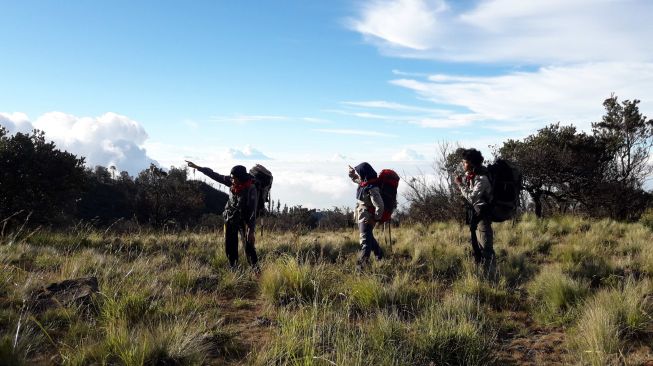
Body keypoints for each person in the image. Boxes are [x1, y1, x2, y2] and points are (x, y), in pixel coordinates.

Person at [186, 160, 259, 269]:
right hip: (230, 218)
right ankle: (233, 270)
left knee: (249, 247)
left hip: (244, 221)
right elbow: (215, 175)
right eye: (232, 177)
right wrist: (199, 168)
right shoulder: (233, 182)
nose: (232, 180)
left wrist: (251, 230)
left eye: (234, 178)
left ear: (241, 177)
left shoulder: (250, 189)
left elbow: (253, 211)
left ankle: (256, 271)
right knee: (230, 246)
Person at [454, 149, 495, 270]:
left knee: (486, 246)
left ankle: (492, 276)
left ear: (471, 163)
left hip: (483, 215)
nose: (463, 164)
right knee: (476, 246)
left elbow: (472, 197)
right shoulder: (472, 176)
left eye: (465, 162)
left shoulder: (482, 178)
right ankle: (483, 272)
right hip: (475, 215)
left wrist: (460, 184)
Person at [349, 162, 384, 270]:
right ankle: (380, 256)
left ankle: (361, 268)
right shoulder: (365, 182)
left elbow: (380, 206)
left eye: (359, 172)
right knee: (369, 237)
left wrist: (374, 219)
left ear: (364, 173)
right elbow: (356, 179)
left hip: (367, 217)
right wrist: (352, 174)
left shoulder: (372, 188)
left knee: (365, 241)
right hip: (362, 215)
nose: (358, 175)